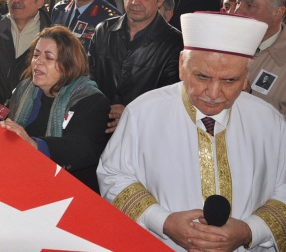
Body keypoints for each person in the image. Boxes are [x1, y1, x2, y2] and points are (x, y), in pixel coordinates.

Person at [97, 12, 285, 251]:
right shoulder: (143, 113)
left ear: (246, 78)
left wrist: (250, 231)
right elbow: (114, 175)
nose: (214, 92)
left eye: (229, 81)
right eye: (203, 76)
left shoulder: (269, 121)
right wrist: (164, 222)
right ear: (181, 65)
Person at [1, 26, 109, 193]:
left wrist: (35, 144)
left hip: (70, 191)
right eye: (36, 55)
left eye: (48, 57)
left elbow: (82, 148)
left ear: (68, 65)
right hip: (25, 179)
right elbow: (7, 127)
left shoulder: (91, 100)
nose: (38, 62)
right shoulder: (25, 90)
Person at [89, 0, 183, 134]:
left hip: (146, 134)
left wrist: (132, 116)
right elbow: (89, 79)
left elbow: (172, 99)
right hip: (98, 128)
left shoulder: (175, 43)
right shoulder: (103, 30)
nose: (135, 1)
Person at [230, 0, 286, 116]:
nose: (237, 12)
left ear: (277, 13)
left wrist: (250, 95)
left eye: (250, 6)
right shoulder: (223, 42)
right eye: (237, 3)